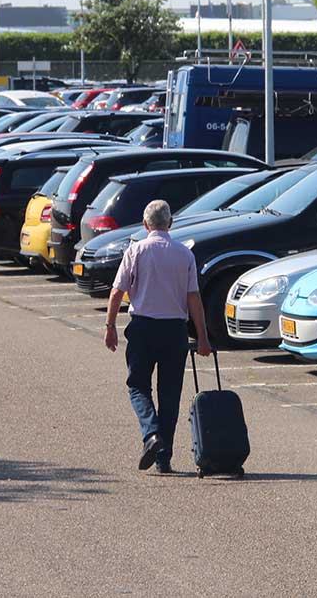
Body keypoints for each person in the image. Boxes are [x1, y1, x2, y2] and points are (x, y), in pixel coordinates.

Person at [105, 199, 212, 474]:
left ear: (145, 224)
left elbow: (117, 291)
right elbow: (193, 298)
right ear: (170, 224)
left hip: (142, 327)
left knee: (138, 386)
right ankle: (163, 458)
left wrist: (110, 326)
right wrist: (202, 337)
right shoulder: (184, 254)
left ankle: (151, 434)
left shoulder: (136, 250)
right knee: (170, 395)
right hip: (174, 330)